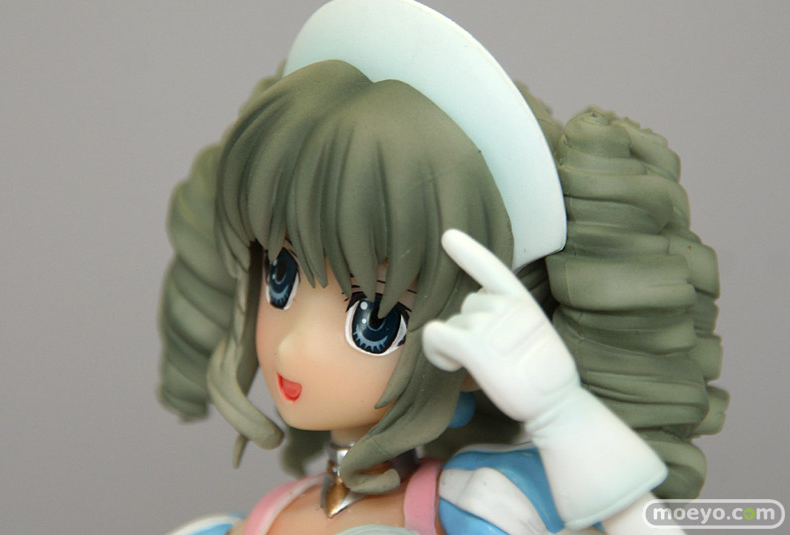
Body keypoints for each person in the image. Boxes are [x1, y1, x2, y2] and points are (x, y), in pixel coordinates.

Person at [158, 1, 726, 533]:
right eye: (279, 279)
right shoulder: (239, 525)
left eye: (374, 320)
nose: (293, 347)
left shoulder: (479, 505)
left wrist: (562, 413)